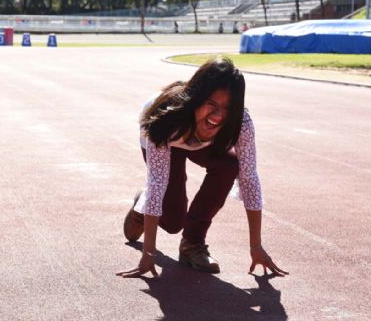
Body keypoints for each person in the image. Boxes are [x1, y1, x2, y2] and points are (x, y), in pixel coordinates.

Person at [117, 58, 288, 278]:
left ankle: (192, 244)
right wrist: (148, 252)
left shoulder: (241, 123)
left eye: (227, 108)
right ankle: (141, 206)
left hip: (197, 140)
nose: (218, 116)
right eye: (211, 104)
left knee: (229, 165)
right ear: (195, 99)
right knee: (172, 222)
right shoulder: (163, 119)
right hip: (170, 135)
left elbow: (249, 179)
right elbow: (157, 183)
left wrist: (256, 246)